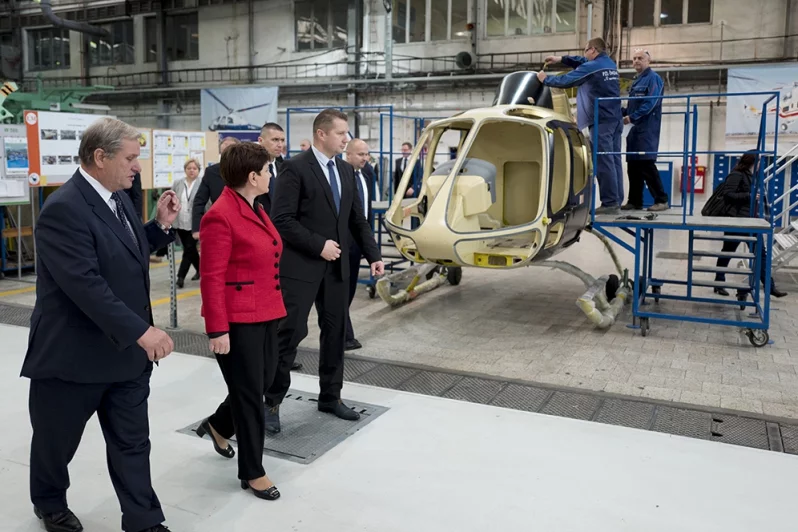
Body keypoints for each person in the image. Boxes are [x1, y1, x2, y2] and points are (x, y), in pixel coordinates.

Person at [21, 117, 180, 532]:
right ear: (99, 157)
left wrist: (159, 226)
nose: (136, 167)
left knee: (132, 442)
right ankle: (49, 501)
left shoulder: (120, 197)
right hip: (74, 357)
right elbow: (86, 286)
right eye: (130, 158)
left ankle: (144, 520)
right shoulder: (63, 210)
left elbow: (126, 250)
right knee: (56, 443)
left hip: (124, 354)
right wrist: (144, 332)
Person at [264, 109, 384, 434]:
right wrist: (319, 245)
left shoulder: (345, 170)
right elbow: (282, 220)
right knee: (289, 334)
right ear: (322, 134)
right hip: (301, 267)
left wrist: (373, 254)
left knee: (335, 332)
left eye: (346, 134)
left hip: (336, 268)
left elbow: (356, 219)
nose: (346, 139)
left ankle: (330, 396)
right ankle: (271, 402)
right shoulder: (295, 168)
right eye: (341, 133)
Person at [196, 142, 285, 501]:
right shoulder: (220, 215)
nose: (269, 176)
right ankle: (253, 470)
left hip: (265, 311)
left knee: (261, 382)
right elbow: (211, 276)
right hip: (238, 319)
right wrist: (218, 329)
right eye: (266, 171)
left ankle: (218, 425)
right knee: (250, 395)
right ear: (253, 176)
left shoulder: (255, 206)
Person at [538, 37, 624, 214]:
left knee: (603, 161)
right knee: (613, 160)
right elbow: (582, 61)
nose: (584, 54)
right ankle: (616, 200)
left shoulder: (593, 67)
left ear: (592, 50)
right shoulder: (608, 64)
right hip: (614, 119)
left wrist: (545, 79)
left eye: (586, 50)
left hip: (601, 120)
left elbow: (567, 81)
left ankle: (610, 203)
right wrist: (560, 59)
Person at [712, 151, 787, 298]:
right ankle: (719, 282)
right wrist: (749, 196)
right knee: (727, 252)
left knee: (761, 255)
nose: (760, 164)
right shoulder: (737, 174)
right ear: (751, 161)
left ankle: (769, 286)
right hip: (737, 221)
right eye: (758, 161)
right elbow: (728, 195)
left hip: (752, 222)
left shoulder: (754, 177)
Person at [622, 49, 668, 212]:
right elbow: (631, 106)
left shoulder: (653, 79)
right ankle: (635, 201)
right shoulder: (636, 81)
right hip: (634, 132)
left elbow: (651, 103)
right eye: (634, 58)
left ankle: (661, 199)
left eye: (640, 58)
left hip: (646, 130)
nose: (636, 61)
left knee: (646, 164)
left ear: (648, 60)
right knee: (633, 166)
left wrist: (632, 117)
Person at [344, 138, 376, 351]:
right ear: (348, 155)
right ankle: (344, 335)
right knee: (341, 290)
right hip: (342, 241)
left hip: (359, 240)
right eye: (360, 154)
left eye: (366, 154)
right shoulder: (340, 173)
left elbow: (368, 210)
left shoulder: (367, 173)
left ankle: (343, 332)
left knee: (350, 289)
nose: (365, 158)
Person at [191, 135, 240, 240]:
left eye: (231, 150)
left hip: (243, 224)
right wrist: (197, 228)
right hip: (220, 224)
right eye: (224, 150)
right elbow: (199, 201)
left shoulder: (247, 171)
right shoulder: (211, 172)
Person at [171, 158, 202, 288]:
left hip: (194, 223)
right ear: (185, 170)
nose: (191, 171)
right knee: (190, 249)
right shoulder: (178, 183)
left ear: (199, 170)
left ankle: (180, 277)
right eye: (189, 168)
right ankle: (200, 270)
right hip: (180, 222)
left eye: (194, 168)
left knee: (189, 249)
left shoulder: (202, 183)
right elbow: (171, 198)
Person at [255, 122, 286, 214]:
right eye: (275, 140)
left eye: (282, 140)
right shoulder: (250, 168)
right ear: (260, 141)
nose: (280, 145)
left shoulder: (285, 169)